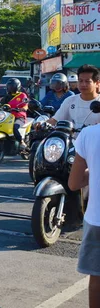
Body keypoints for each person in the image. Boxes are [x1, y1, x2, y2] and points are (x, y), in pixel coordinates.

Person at [69, 125, 100, 307]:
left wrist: (93, 174)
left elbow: (74, 183)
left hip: (96, 220)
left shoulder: (89, 134)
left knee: (96, 279)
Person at [45, 65, 100, 131]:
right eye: (80, 81)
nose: (83, 84)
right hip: (73, 140)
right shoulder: (70, 101)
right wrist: (42, 124)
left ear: (97, 83)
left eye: (87, 81)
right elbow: (55, 120)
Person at [0, 78, 28, 150]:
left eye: (12, 86)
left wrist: (23, 108)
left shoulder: (22, 95)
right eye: (9, 86)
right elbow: (0, 103)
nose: (10, 88)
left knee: (14, 127)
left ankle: (21, 142)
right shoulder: (7, 96)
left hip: (19, 117)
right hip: (8, 116)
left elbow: (26, 104)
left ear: (17, 86)